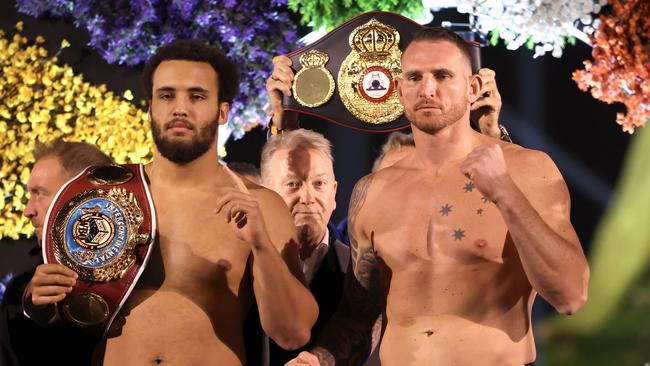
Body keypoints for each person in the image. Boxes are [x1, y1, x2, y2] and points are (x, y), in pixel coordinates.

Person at [286, 27, 590, 366]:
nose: (427, 88)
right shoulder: (373, 191)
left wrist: (505, 192)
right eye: (414, 77)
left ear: (473, 88)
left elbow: (570, 295)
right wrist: (320, 359)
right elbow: (359, 315)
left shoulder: (526, 169)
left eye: (443, 75)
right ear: (399, 90)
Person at [65, 39, 315, 365]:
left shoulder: (259, 205)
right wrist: (39, 303)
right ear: (151, 107)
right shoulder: (106, 196)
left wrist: (262, 246)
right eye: (166, 95)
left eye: (196, 96)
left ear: (222, 112)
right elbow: (68, 316)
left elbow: (293, 332)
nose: (179, 108)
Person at [1, 139, 113, 365]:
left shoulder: (143, 275)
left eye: (39, 193)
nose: (27, 211)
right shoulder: (22, 289)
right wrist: (31, 309)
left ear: (82, 196)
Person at [259, 129, 351, 365]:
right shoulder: (241, 266)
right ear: (265, 193)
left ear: (334, 193)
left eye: (319, 184)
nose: (308, 197)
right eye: (293, 184)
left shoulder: (357, 271)